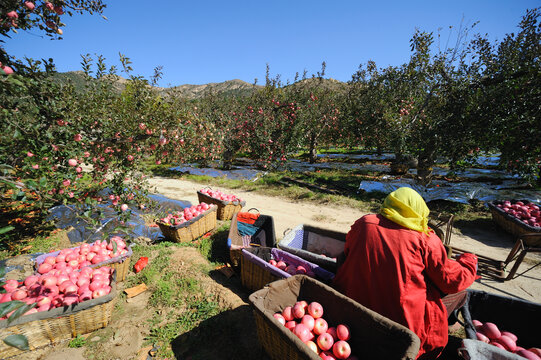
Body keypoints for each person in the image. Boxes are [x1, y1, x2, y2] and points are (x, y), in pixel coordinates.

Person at [333, 187, 478, 359]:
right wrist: (469, 261)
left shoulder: (365, 224)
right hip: (401, 322)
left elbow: (347, 252)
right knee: (459, 292)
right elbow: (451, 279)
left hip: (353, 304)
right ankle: (450, 324)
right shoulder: (426, 240)